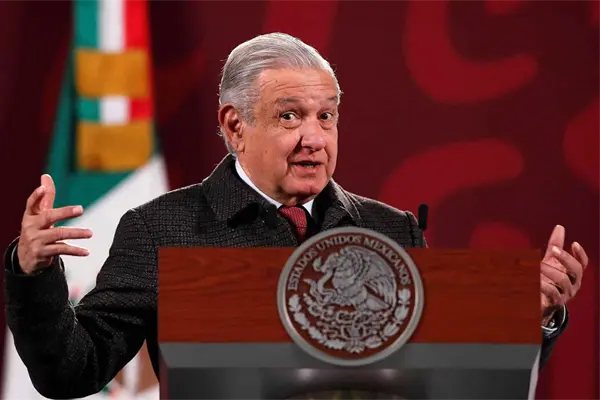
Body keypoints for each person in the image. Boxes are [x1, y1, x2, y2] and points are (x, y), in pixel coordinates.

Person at [4, 33, 589, 399]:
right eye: (290, 116)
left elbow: (450, 375)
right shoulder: (160, 228)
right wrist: (33, 274)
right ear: (235, 126)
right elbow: (72, 372)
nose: (315, 138)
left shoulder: (390, 230)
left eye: (326, 116)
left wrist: (531, 317)